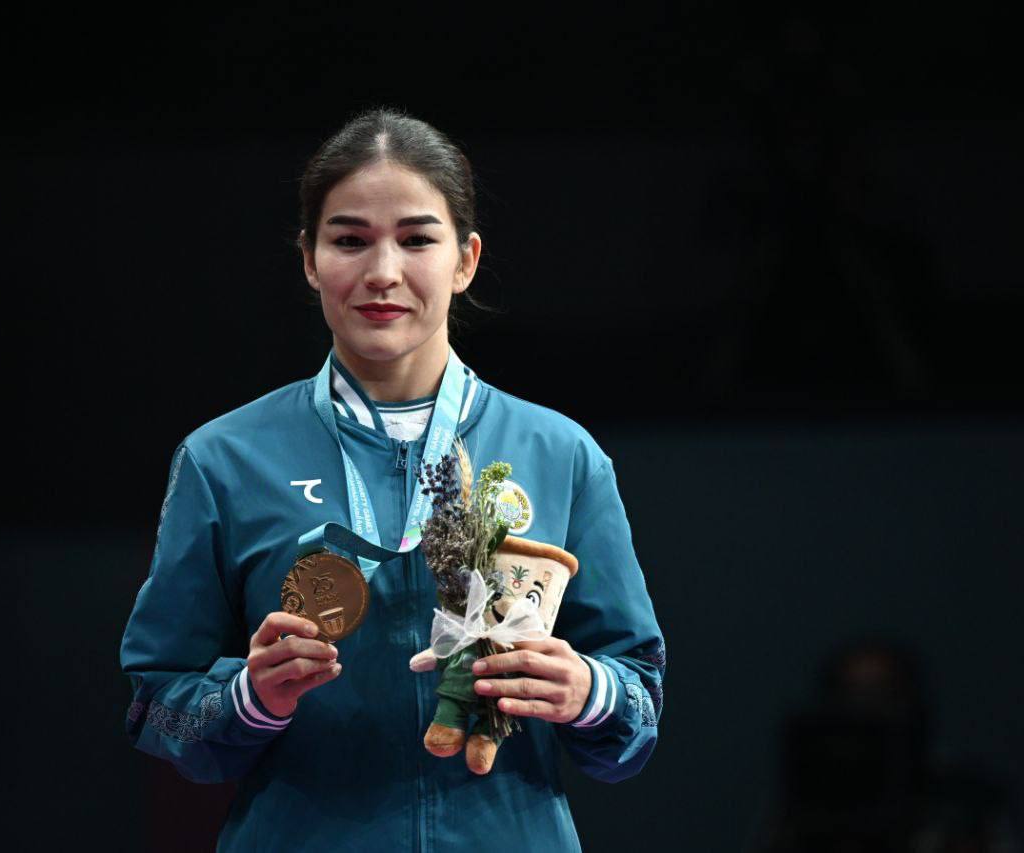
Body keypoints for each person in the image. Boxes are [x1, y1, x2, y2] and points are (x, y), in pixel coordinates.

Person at [119, 108, 666, 852]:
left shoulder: (561, 453)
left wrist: (587, 692)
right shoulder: (225, 460)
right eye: (349, 240)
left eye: (416, 239)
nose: (382, 272)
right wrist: (249, 697)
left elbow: (639, 704)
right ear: (310, 259)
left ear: (466, 260)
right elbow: (154, 704)